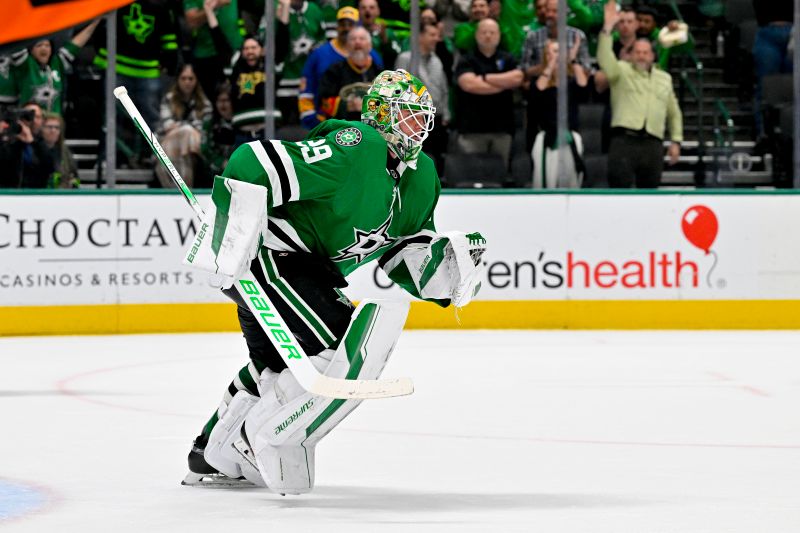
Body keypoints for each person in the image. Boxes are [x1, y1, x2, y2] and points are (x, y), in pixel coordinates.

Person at [181, 69, 486, 494]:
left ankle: (213, 453)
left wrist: (445, 269)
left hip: (310, 275)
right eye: (409, 115)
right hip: (271, 256)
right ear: (380, 114)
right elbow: (251, 161)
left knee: (275, 367)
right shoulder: (358, 147)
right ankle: (256, 436)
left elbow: (403, 256)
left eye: (423, 117)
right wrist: (230, 230)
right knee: (343, 344)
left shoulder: (422, 179)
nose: (419, 126)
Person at [597, 0, 682, 189]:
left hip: (653, 142)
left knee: (650, 192)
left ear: (652, 56)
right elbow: (604, 58)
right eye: (638, 52)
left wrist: (675, 140)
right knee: (619, 191)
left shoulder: (664, 78)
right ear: (632, 55)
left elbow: (674, 112)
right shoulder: (621, 71)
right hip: (624, 140)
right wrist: (608, 29)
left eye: (646, 53)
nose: (642, 56)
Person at [298, 6, 384, 129]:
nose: (346, 28)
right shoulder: (321, 56)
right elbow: (310, 88)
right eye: (342, 24)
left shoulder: (376, 62)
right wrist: (310, 118)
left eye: (351, 24)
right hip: (335, 126)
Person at [530, 38, 588, 188]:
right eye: (553, 52)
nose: (557, 55)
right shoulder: (539, 81)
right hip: (547, 138)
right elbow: (538, 92)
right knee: (545, 180)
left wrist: (573, 60)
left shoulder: (571, 83)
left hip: (570, 136)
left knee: (572, 180)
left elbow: (584, 87)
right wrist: (550, 65)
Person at [12, 18, 100, 115]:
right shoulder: (25, 64)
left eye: (47, 45)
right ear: (31, 50)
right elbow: (15, 38)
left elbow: (77, 43)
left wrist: (98, 19)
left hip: (53, 124)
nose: (44, 48)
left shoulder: (57, 63)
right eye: (39, 45)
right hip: (30, 122)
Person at [395, 22, 450, 174]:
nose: (436, 38)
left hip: (436, 118)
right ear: (420, 37)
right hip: (413, 118)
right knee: (416, 156)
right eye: (432, 35)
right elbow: (398, 89)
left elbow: (443, 87)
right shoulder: (405, 58)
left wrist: (446, 112)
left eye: (437, 35)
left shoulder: (437, 60)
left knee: (436, 157)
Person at [157, 64, 213, 188]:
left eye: (191, 78)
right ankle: (182, 189)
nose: (187, 82)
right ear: (177, 80)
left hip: (195, 150)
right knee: (187, 132)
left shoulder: (204, 103)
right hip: (169, 145)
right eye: (183, 78)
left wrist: (180, 126)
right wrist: (186, 127)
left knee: (187, 144)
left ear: (196, 80)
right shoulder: (169, 99)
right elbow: (167, 125)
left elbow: (202, 129)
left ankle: (184, 189)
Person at [230, 35, 287, 146]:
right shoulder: (235, 71)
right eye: (246, 48)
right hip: (242, 135)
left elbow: (282, 45)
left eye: (253, 47)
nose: (250, 51)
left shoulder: (271, 67)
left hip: (268, 132)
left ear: (262, 50)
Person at [318, 26, 382, 121]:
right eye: (353, 39)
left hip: (371, 129)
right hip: (341, 126)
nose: (357, 42)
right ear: (347, 46)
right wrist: (346, 106)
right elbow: (323, 101)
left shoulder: (380, 73)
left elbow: (388, 104)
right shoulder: (334, 71)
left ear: (370, 46)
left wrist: (368, 107)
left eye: (362, 39)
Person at [184, 0, 244, 100]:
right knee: (214, 99)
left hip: (236, 51)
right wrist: (215, 6)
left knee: (242, 93)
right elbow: (192, 22)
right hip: (208, 56)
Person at [359, 0, 401, 69]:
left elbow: (398, 54)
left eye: (371, 7)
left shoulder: (388, 33)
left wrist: (384, 39)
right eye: (363, 8)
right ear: (359, 12)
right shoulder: (354, 34)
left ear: (378, 11)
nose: (367, 10)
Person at [41, 112, 79, 189]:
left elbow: (75, 177)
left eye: (57, 128)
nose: (53, 130)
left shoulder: (66, 152)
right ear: (41, 129)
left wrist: (73, 185)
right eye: (49, 127)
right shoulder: (35, 149)